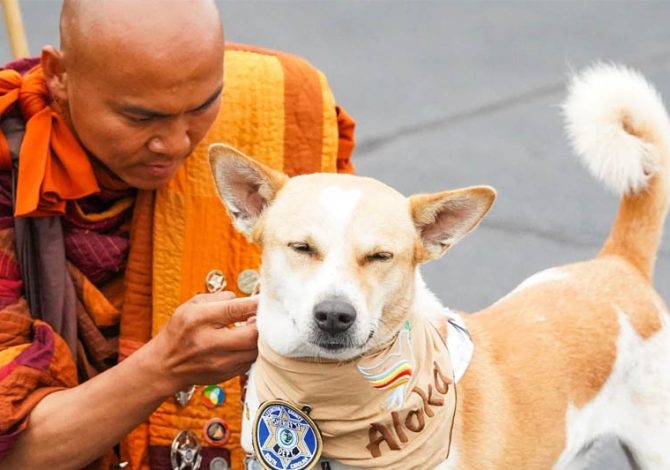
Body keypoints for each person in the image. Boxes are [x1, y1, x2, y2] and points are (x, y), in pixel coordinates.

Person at [0, 1, 355, 468]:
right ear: (58, 75)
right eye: (140, 118)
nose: (176, 144)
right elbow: (16, 455)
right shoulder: (8, 166)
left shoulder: (278, 104)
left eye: (203, 107)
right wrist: (166, 366)